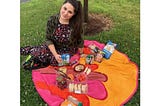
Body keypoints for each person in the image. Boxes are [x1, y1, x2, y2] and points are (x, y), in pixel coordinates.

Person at [20, 0, 84, 70]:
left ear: (74, 14)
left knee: (59, 63)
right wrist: (55, 54)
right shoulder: (52, 20)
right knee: (39, 52)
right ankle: (33, 54)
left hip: (67, 50)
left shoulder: (76, 24)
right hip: (53, 46)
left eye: (70, 12)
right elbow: (48, 39)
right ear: (62, 6)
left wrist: (81, 53)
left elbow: (79, 39)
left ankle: (40, 60)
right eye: (65, 8)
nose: (65, 13)